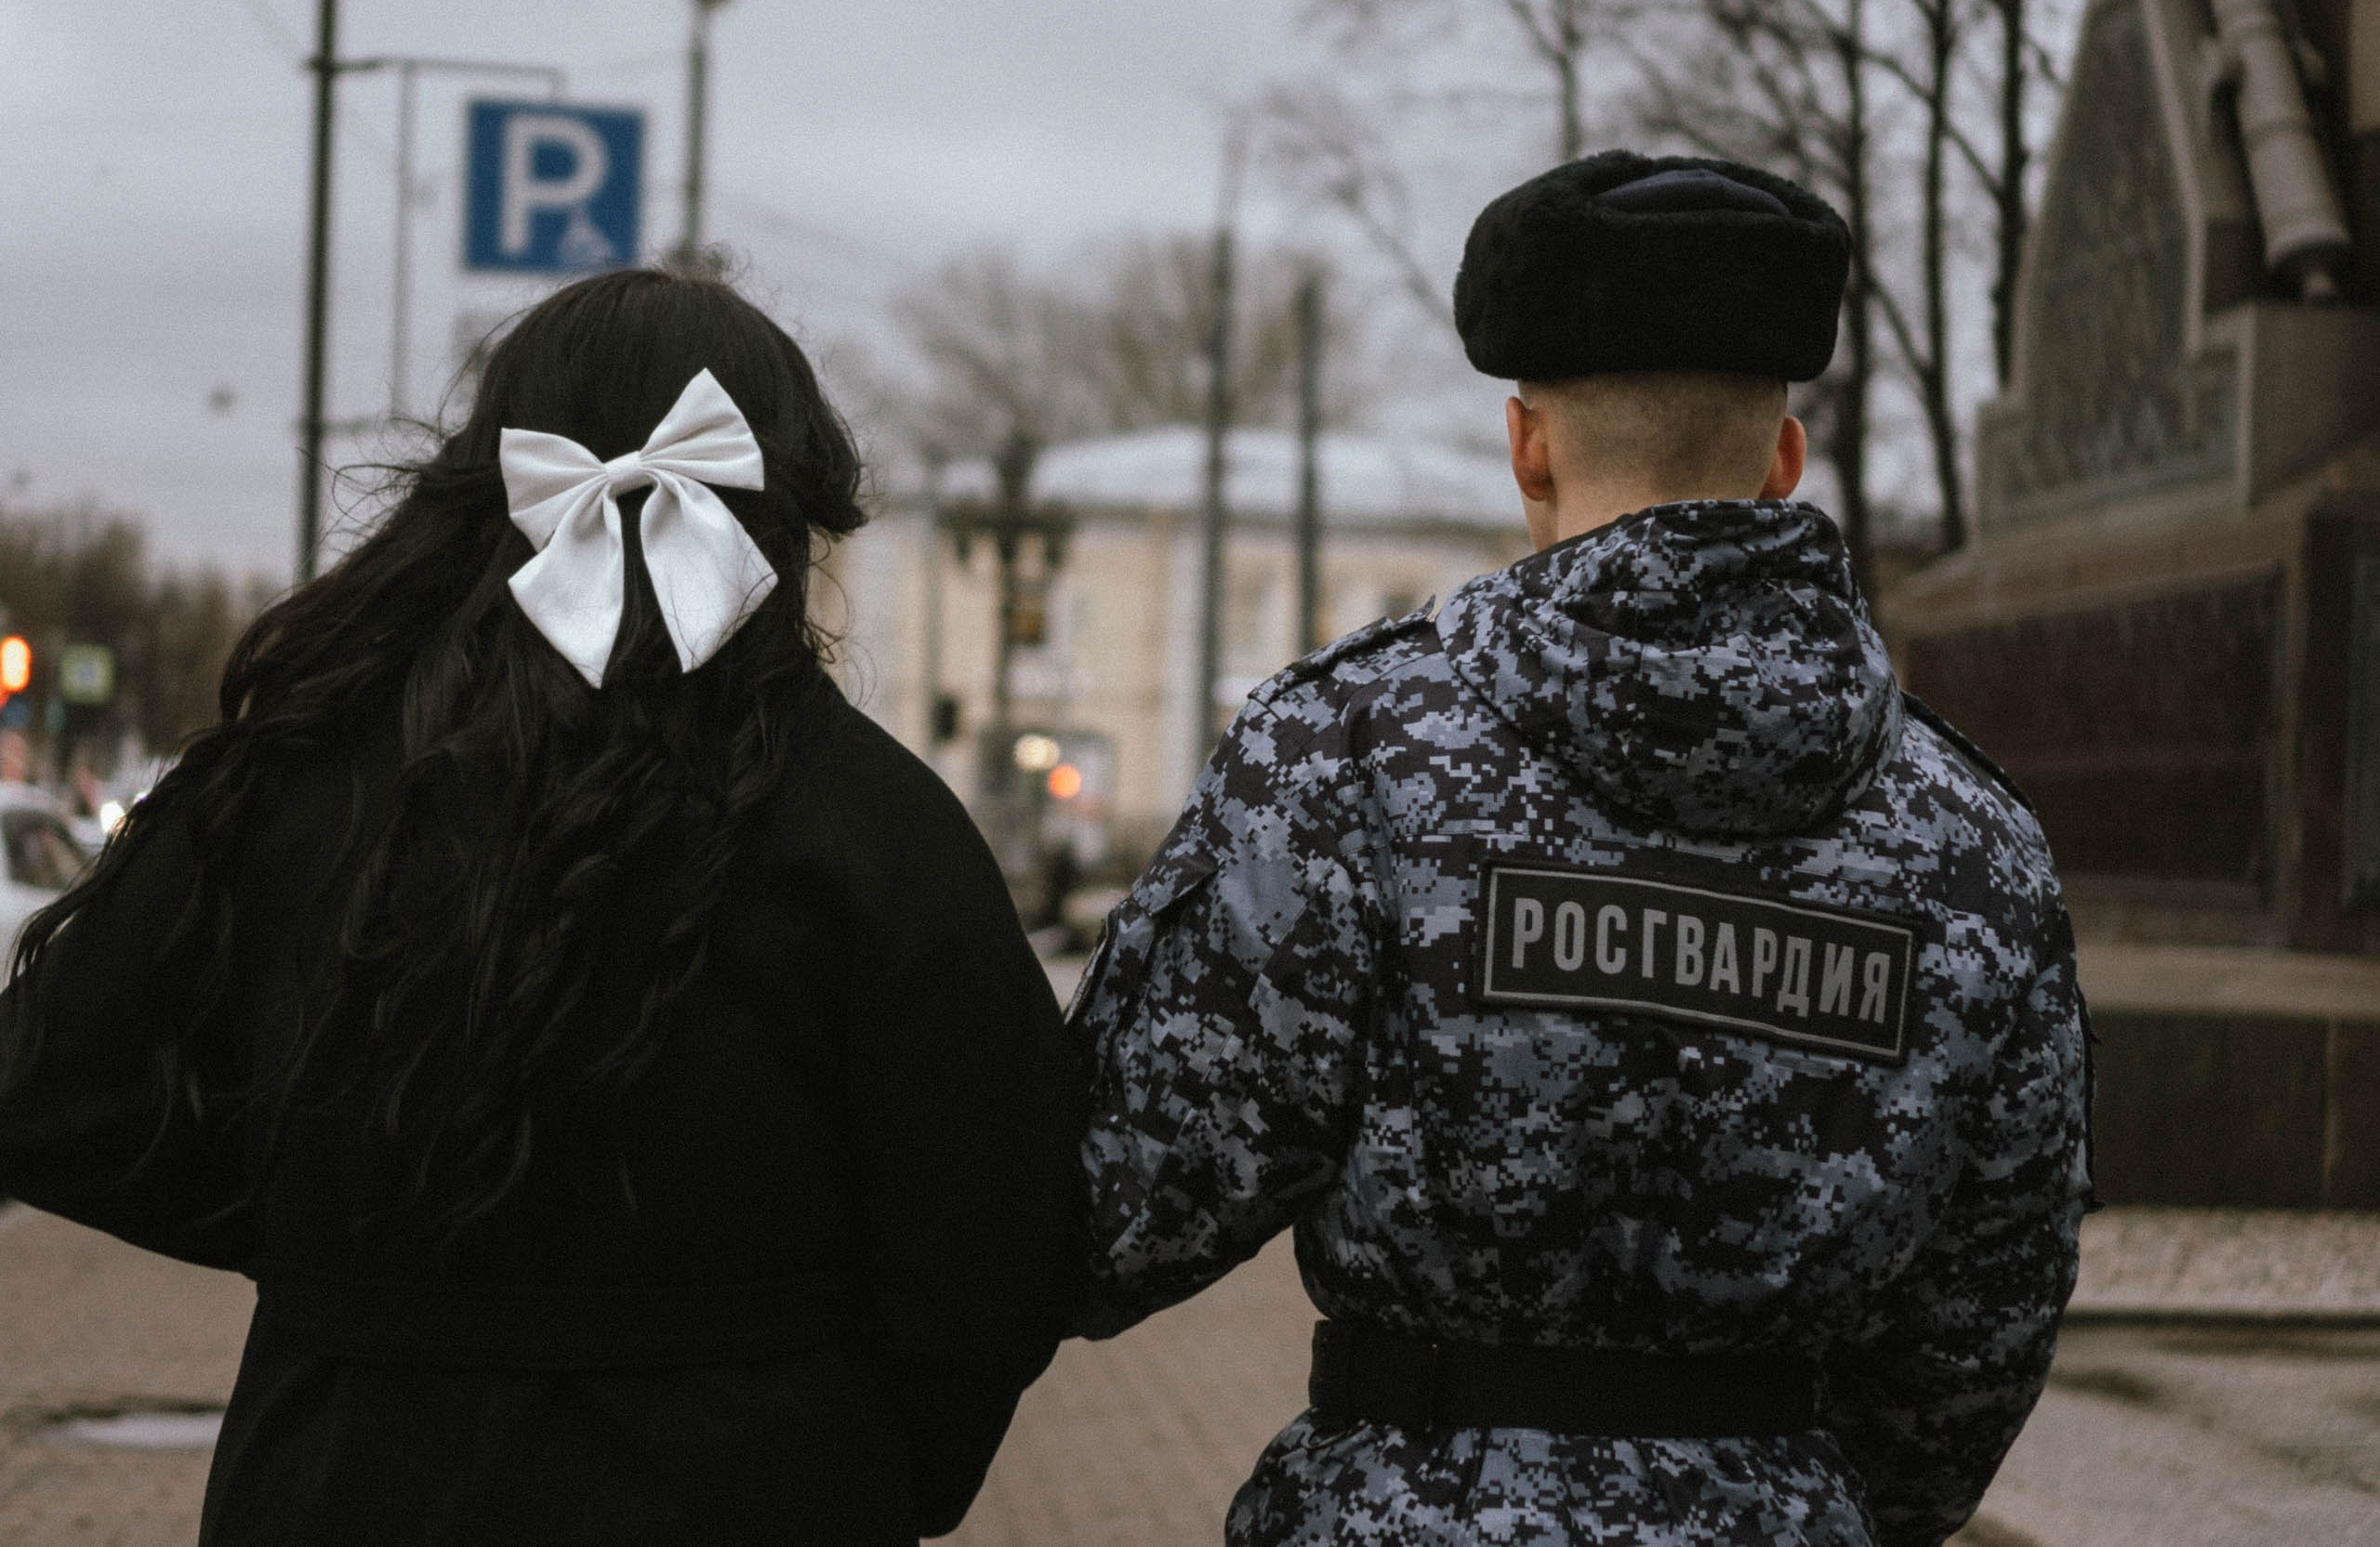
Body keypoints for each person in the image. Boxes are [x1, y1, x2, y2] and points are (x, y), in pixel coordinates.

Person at [1070, 152, 2094, 1547]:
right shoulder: (1976, 846)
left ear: (1528, 446)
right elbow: (1984, 1325)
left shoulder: (1349, 757)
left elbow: (1129, 1202)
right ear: (1782, 463)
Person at [0, 269, 1081, 1546]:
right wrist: (868, 1454)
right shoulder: (884, 829)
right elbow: (995, 1241)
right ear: (785, 521)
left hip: (347, 1473)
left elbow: (54, 1093)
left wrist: (331, 1247)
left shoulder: (293, 783)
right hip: (751, 1483)